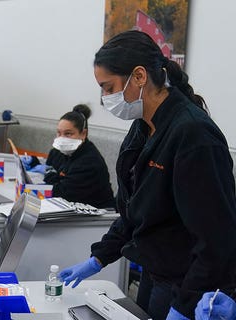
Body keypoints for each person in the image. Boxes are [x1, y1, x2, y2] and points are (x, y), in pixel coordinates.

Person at [59, 30, 236, 320]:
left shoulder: (193, 135)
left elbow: (217, 239)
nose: (105, 99)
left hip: (190, 284)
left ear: (139, 76)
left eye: (108, 87)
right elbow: (135, 210)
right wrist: (98, 257)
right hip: (155, 273)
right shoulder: (142, 127)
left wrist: (183, 307)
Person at [23, 104, 115, 209]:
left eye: (68, 134)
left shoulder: (90, 162)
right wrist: (33, 162)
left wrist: (49, 173)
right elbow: (52, 166)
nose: (62, 139)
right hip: (70, 207)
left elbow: (61, 192)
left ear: (83, 134)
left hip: (99, 216)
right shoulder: (59, 151)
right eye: (59, 133)